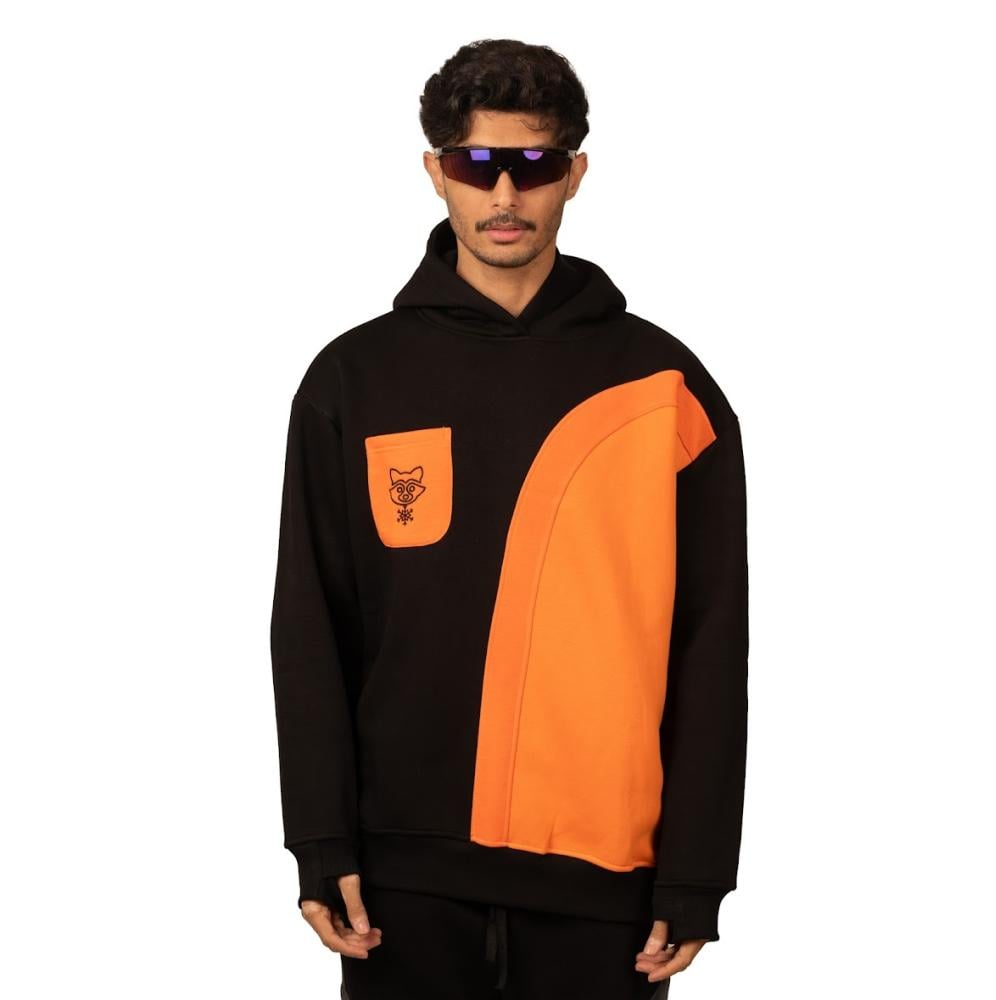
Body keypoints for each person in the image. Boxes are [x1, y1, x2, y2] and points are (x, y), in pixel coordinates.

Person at [269, 38, 749, 1000]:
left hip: (607, 884)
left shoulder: (664, 385)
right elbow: (312, 624)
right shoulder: (353, 379)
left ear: (574, 172)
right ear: (434, 171)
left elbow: (711, 641)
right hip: (400, 880)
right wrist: (320, 839)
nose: (503, 195)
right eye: (474, 164)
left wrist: (698, 869)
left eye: (531, 165)